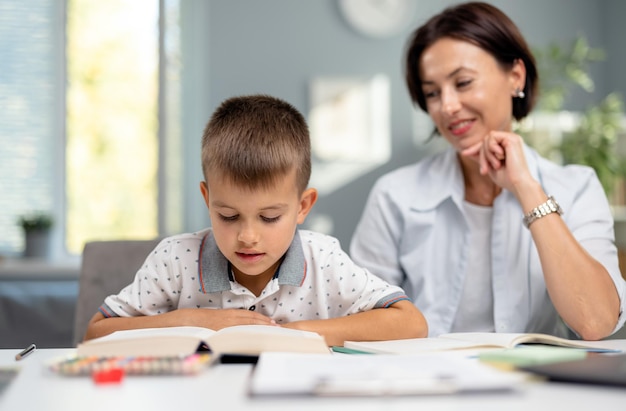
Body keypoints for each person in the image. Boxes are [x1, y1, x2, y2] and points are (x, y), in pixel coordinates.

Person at [350, 2, 626, 340]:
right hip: (426, 382)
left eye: (462, 82)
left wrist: (526, 187)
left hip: (535, 387)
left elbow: (595, 321)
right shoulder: (394, 194)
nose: (447, 106)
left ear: (515, 76)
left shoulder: (577, 187)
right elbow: (358, 316)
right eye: (432, 93)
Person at [84, 94, 427, 346]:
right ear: (207, 199)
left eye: (270, 217)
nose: (248, 236)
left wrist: (297, 335)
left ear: (302, 206)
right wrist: (193, 322)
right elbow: (95, 332)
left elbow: (411, 323)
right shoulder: (175, 258)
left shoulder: (323, 259)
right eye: (229, 216)